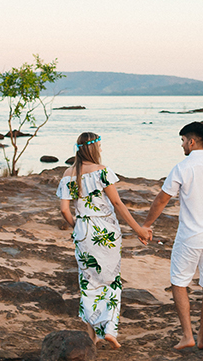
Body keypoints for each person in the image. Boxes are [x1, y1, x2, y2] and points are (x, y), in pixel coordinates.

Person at [141, 121, 203, 350]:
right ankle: (202, 337)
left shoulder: (183, 168)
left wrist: (146, 225)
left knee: (179, 282)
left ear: (191, 141)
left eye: (183, 141)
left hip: (189, 237)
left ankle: (187, 335)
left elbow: (162, 200)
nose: (182, 145)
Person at [57, 132, 153, 348]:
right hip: (106, 231)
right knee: (110, 280)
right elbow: (117, 203)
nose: (101, 150)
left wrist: (78, 226)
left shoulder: (68, 173)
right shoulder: (102, 172)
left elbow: (64, 210)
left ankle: (93, 336)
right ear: (93, 148)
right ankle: (109, 330)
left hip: (83, 231)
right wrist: (138, 229)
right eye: (99, 146)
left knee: (88, 282)